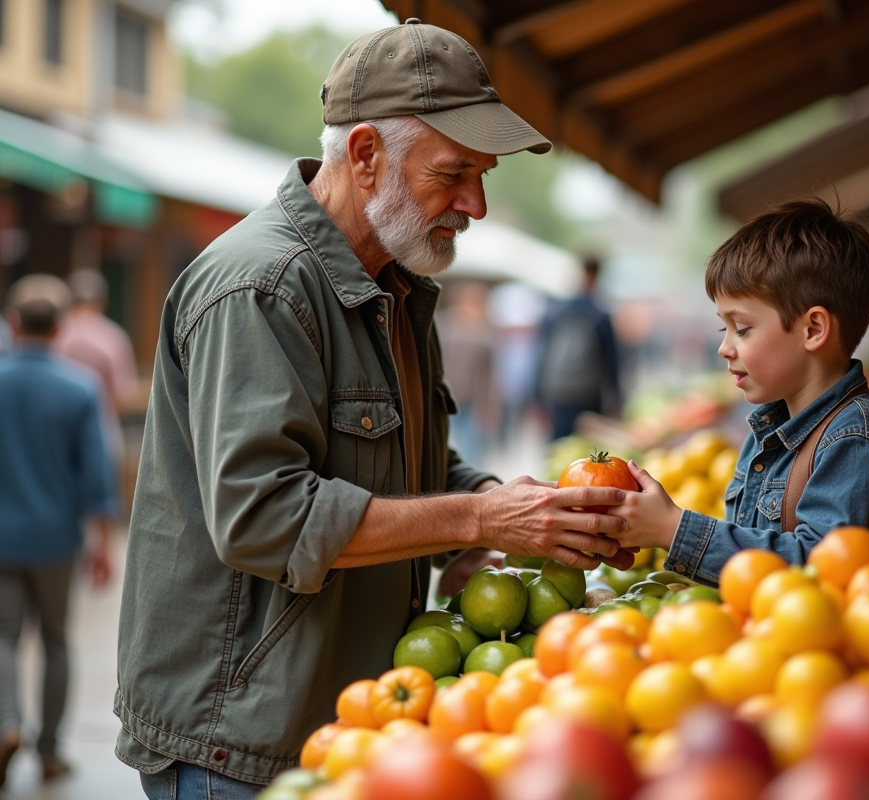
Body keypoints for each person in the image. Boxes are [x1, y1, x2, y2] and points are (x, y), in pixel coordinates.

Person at [115, 21, 633, 797]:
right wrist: (479, 522)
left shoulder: (391, 285)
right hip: (239, 741)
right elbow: (265, 517)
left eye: (482, 175)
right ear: (364, 157)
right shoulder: (263, 288)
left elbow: (410, 468)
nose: (477, 204)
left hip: (339, 718)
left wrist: (506, 505)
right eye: (455, 173)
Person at [611, 200, 869, 585]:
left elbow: (820, 572)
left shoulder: (856, 439)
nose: (725, 347)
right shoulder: (770, 431)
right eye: (722, 328)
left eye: (741, 328)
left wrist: (674, 530)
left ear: (813, 330)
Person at [0, 274, 116, 788]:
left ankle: (5, 723)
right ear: (60, 327)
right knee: (55, 641)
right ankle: (48, 750)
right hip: (55, 537)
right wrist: (103, 542)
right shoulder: (78, 387)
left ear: (13, 322)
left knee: (2, 636)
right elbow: (97, 472)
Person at [52, 269, 139, 497]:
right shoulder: (113, 336)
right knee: (102, 498)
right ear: (101, 301)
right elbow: (122, 394)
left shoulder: (56, 333)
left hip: (55, 429)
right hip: (102, 427)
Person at [534, 255, 622, 439]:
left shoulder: (556, 311)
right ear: (598, 274)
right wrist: (617, 400)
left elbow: (540, 355)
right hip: (588, 395)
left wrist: (535, 396)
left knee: (558, 448)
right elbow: (612, 362)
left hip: (558, 393)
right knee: (587, 449)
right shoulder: (600, 315)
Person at [440, 281, 499, 464]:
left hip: (472, 400)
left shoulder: (485, 329)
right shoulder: (445, 324)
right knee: (445, 443)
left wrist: (489, 404)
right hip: (446, 396)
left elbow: (489, 372)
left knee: (471, 446)